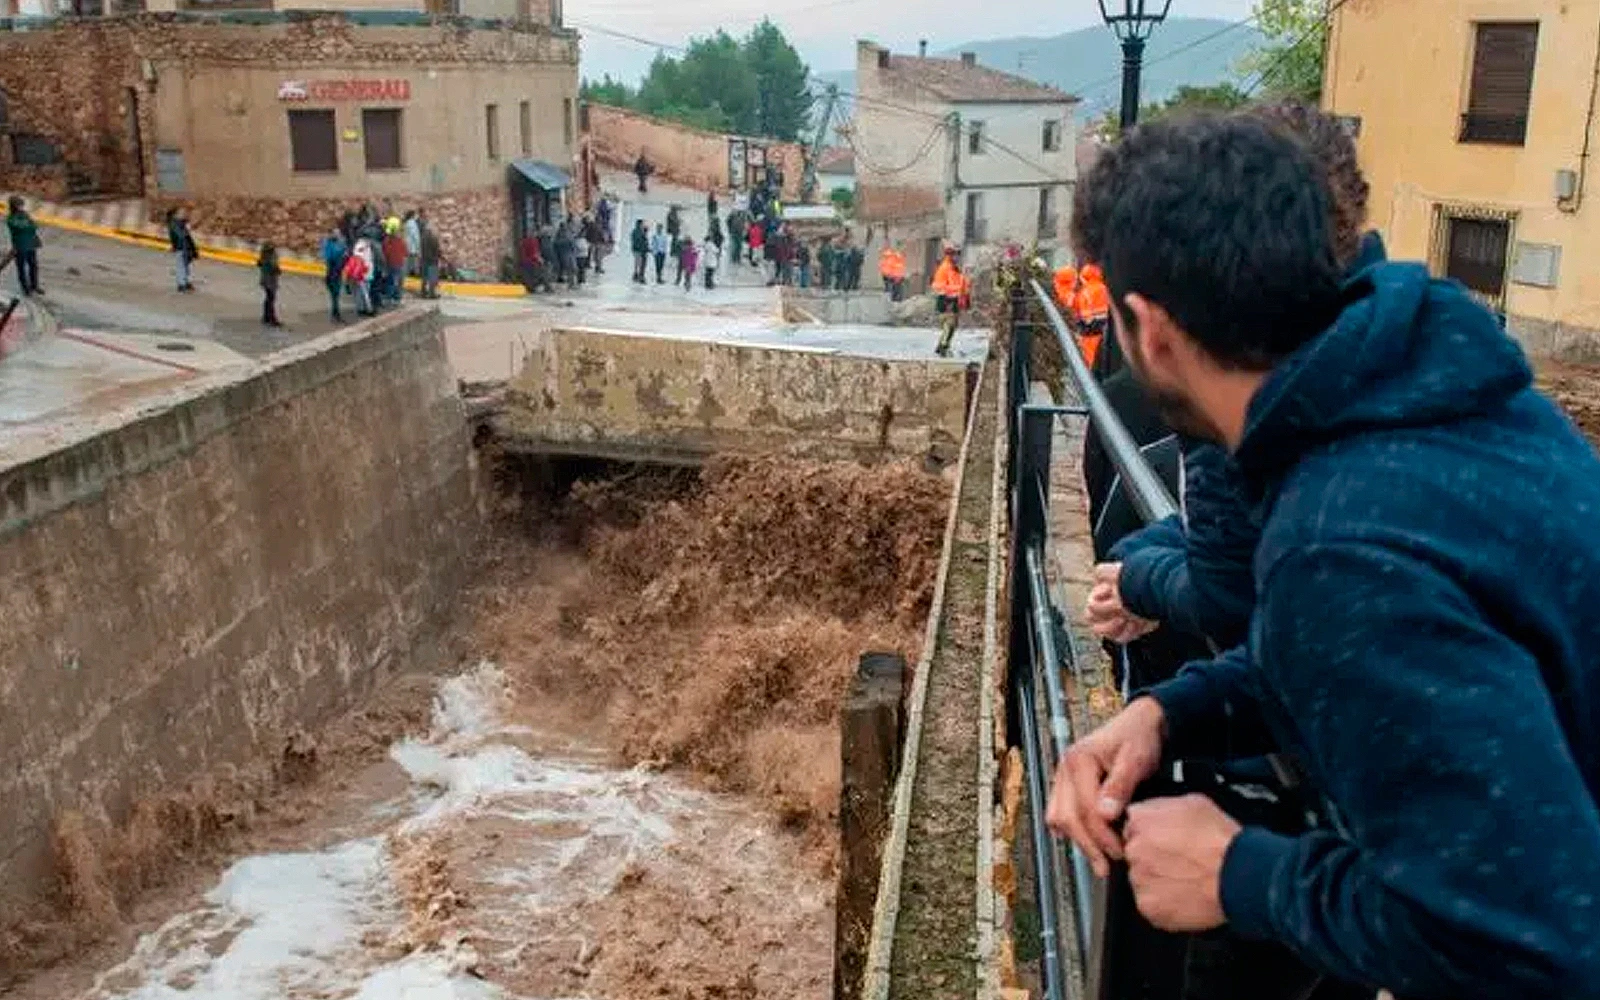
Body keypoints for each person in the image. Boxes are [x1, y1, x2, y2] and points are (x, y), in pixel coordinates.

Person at [1047, 111, 1600, 1000]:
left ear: (1149, 330)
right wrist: (1173, 716)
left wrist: (1238, 873)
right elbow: (1382, 657)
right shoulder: (1428, 387)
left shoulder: (1340, 542)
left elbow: (1534, 948)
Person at [930, 246, 964, 356]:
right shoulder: (946, 268)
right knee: (949, 324)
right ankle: (943, 346)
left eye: (958, 255)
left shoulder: (953, 268)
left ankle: (942, 345)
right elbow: (938, 285)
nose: (957, 257)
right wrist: (948, 296)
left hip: (953, 298)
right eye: (955, 255)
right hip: (947, 298)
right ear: (950, 255)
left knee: (952, 325)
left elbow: (959, 284)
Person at [1076, 263, 1111, 370]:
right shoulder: (1105, 288)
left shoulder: (1084, 292)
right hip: (1104, 329)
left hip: (1089, 331)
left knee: (1090, 360)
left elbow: (1082, 313)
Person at [6, 196, 42, 296]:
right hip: (20, 246)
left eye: (22, 205)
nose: (21, 207)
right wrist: (28, 225)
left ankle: (34, 286)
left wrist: (28, 225)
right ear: (14, 207)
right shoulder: (11, 219)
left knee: (33, 266)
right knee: (21, 268)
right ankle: (26, 289)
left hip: (30, 244)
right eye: (19, 205)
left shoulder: (25, 215)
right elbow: (22, 227)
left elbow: (34, 226)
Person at [320, 226, 348, 322]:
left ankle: (335, 313)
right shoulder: (328, 244)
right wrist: (342, 254)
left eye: (338, 233)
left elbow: (345, 252)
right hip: (332, 271)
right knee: (335, 294)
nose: (338, 235)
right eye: (336, 233)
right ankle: (335, 314)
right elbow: (328, 257)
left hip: (337, 271)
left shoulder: (339, 242)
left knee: (335, 295)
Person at [167, 208, 198, 293]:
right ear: (175, 214)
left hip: (186, 248)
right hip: (181, 248)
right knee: (181, 266)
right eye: (181, 213)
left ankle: (186, 282)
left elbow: (187, 237)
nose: (184, 214)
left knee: (186, 266)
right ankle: (182, 285)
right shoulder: (174, 224)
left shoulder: (181, 223)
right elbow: (180, 236)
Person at [346, 236, 376, 316]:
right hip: (362, 274)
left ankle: (361, 309)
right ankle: (369, 309)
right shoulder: (362, 247)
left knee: (361, 292)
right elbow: (361, 261)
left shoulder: (364, 247)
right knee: (364, 292)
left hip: (364, 274)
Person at [382, 220, 409, 303]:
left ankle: (389, 297)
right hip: (399, 263)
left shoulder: (387, 241)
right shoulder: (401, 241)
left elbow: (385, 252)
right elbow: (406, 253)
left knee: (391, 281)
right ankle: (396, 297)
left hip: (390, 263)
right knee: (398, 281)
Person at [257, 242, 282, 328]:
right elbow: (274, 268)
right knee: (271, 299)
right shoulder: (270, 258)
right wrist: (278, 270)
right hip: (270, 282)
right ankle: (271, 318)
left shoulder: (263, 258)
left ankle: (266, 317)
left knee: (268, 299)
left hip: (265, 281)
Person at [419, 224, 442, 300]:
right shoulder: (433, 238)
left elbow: (421, 249)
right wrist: (440, 255)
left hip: (424, 259)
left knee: (424, 277)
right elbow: (437, 249)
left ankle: (423, 292)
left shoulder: (422, 238)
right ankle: (432, 293)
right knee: (432, 277)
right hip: (433, 260)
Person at [630, 219, 650, 284]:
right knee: (639, 262)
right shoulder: (638, 232)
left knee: (638, 262)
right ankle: (637, 275)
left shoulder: (638, 231)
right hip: (638, 250)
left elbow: (645, 241)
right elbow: (640, 241)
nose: (642, 225)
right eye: (642, 224)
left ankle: (637, 274)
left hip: (639, 250)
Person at [403, 210, 422, 278]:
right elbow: (415, 235)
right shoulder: (412, 223)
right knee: (414, 261)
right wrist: (418, 246)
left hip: (408, 245)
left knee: (409, 262)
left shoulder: (406, 223)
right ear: (412, 216)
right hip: (412, 246)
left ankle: (408, 274)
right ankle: (415, 274)